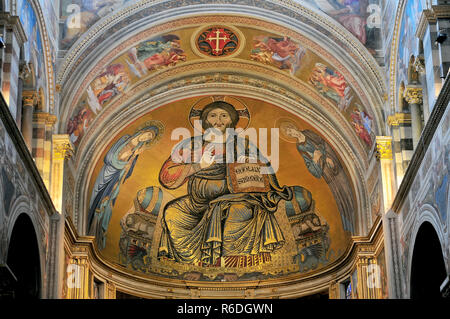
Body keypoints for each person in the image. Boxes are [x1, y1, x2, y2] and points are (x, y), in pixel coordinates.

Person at [158, 101, 292, 266]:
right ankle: (195, 263)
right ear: (205, 120)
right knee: (172, 212)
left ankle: (231, 264)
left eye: (224, 115)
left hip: (235, 198)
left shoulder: (243, 145)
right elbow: (167, 176)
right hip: (197, 203)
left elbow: (266, 173)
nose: (218, 120)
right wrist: (197, 166)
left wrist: (250, 165)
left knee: (239, 211)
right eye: (213, 115)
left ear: (232, 120)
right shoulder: (190, 145)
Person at [88, 125, 160, 249]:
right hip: (108, 173)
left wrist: (133, 156)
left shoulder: (139, 149)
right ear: (143, 130)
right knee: (98, 199)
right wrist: (129, 155)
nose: (147, 137)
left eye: (150, 138)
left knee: (107, 204)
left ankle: (98, 231)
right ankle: (90, 222)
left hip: (116, 180)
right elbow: (109, 158)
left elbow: (128, 171)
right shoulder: (125, 139)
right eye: (148, 134)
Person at [282, 124, 355, 233]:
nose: (291, 133)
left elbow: (325, 145)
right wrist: (315, 160)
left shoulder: (309, 133)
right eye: (288, 133)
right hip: (325, 171)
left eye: (290, 129)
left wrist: (326, 156)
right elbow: (311, 167)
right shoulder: (300, 147)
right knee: (338, 195)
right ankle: (349, 223)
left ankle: (354, 213)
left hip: (333, 164)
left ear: (295, 127)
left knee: (346, 189)